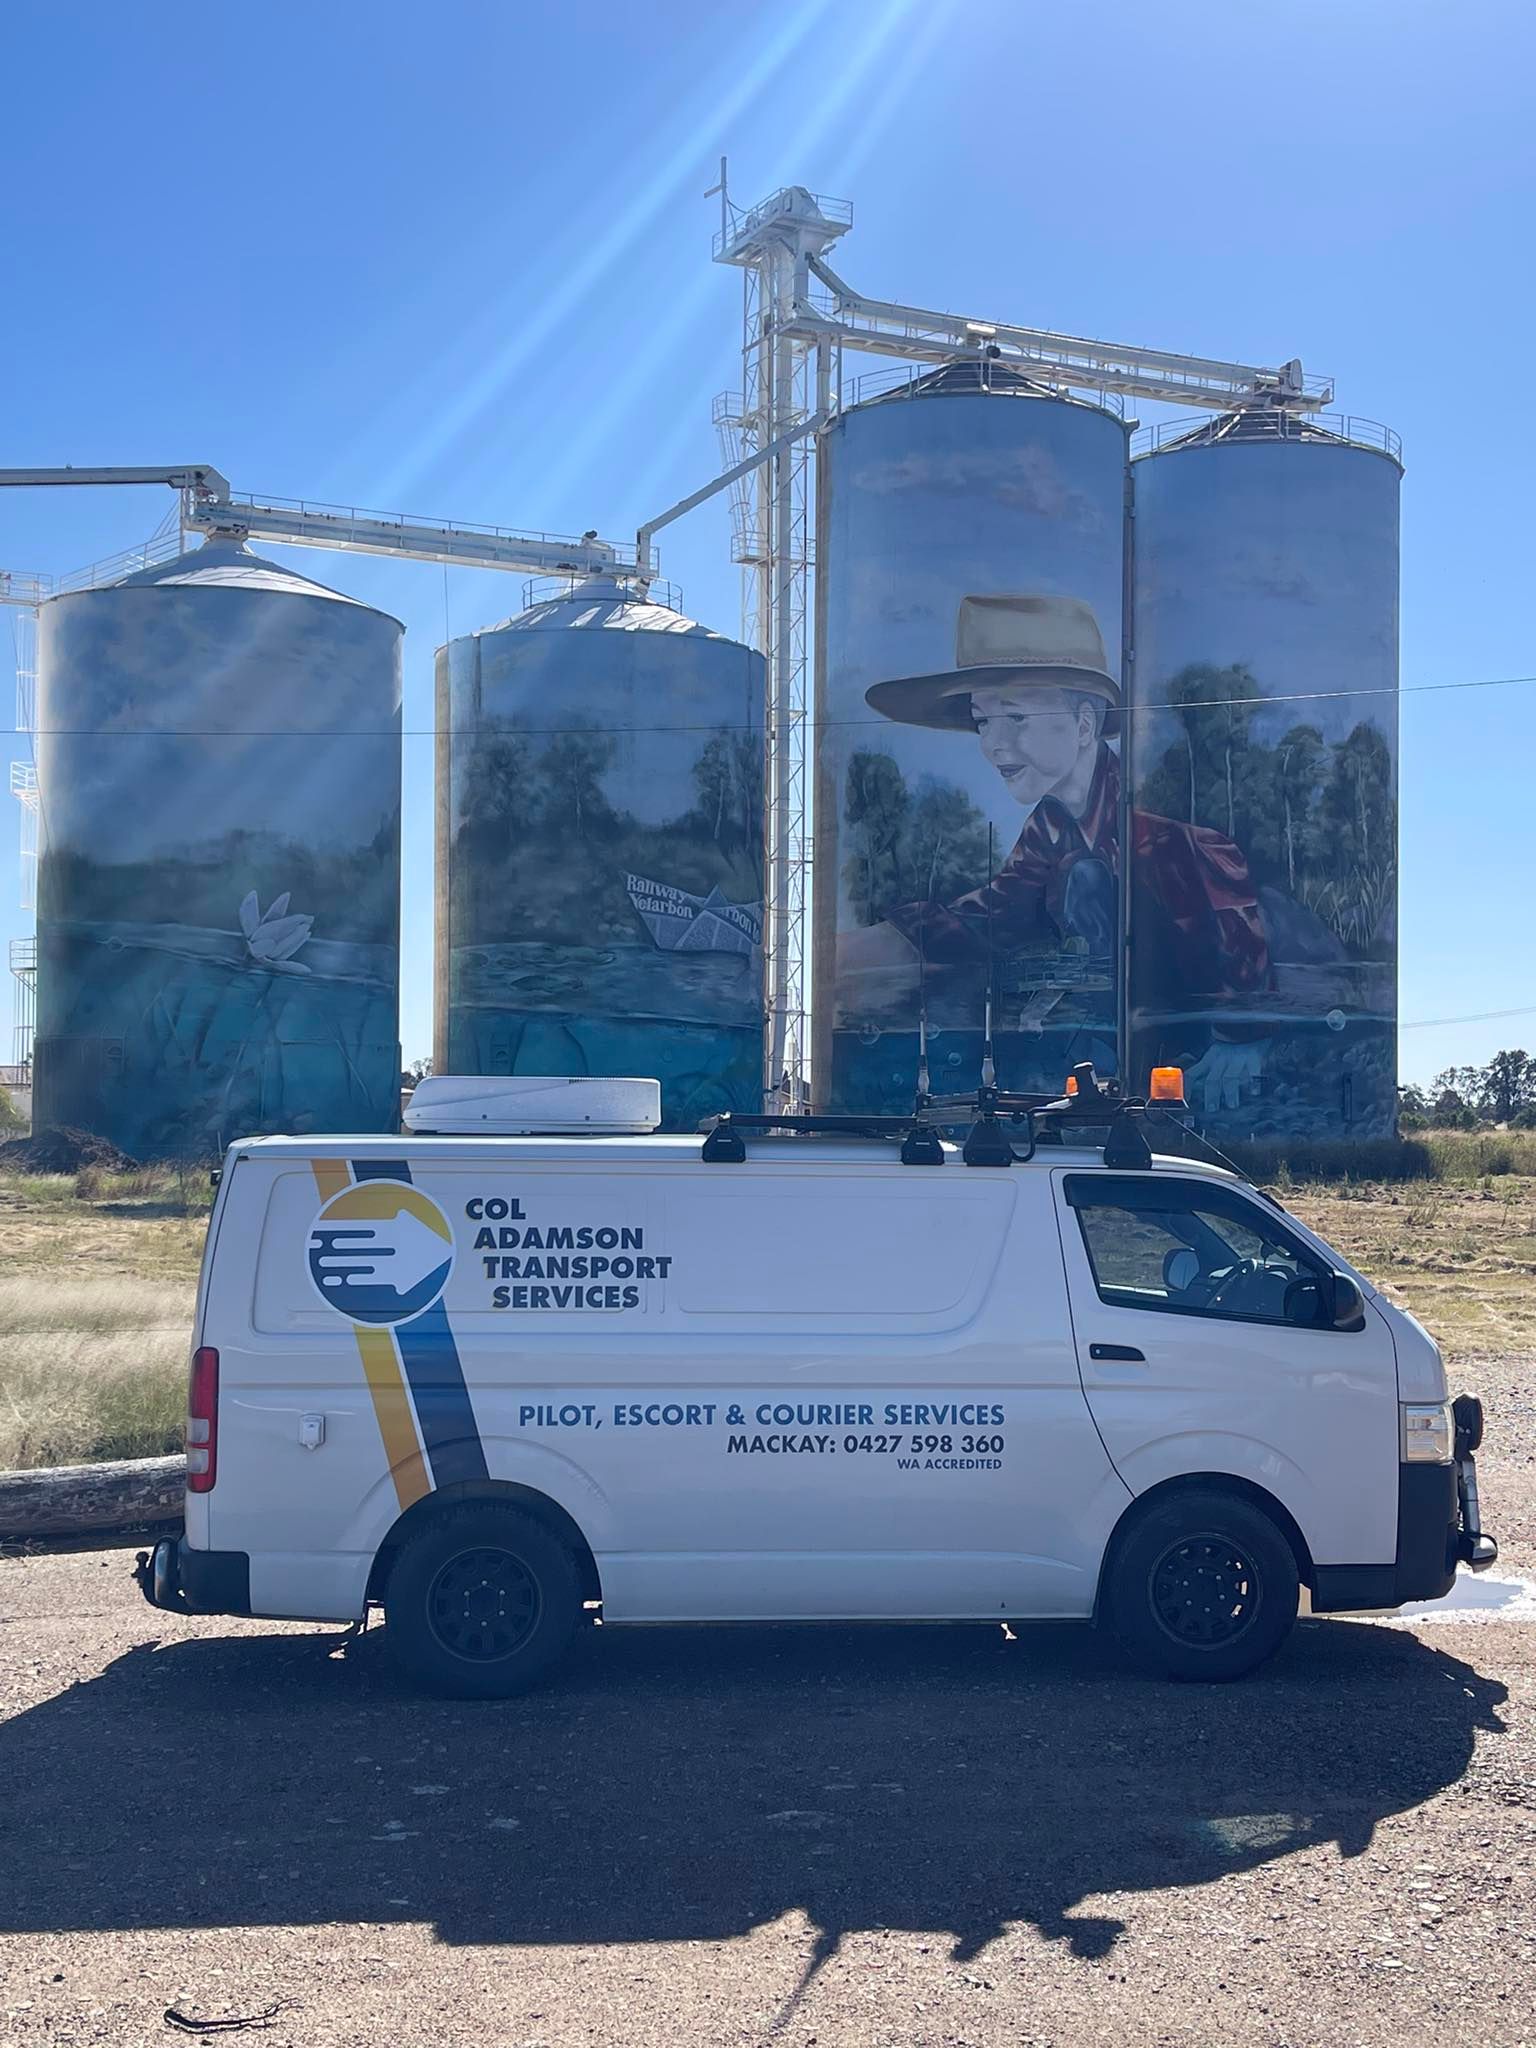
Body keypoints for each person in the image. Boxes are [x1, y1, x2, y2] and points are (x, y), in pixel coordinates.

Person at [838, 594, 1273, 1106]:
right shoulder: (1051, 828)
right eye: (982, 720)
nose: (993, 744)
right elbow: (991, 918)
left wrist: (1244, 1037)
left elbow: (1243, 967)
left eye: (1016, 718)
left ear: (1085, 725)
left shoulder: (1168, 844)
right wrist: (853, 955)